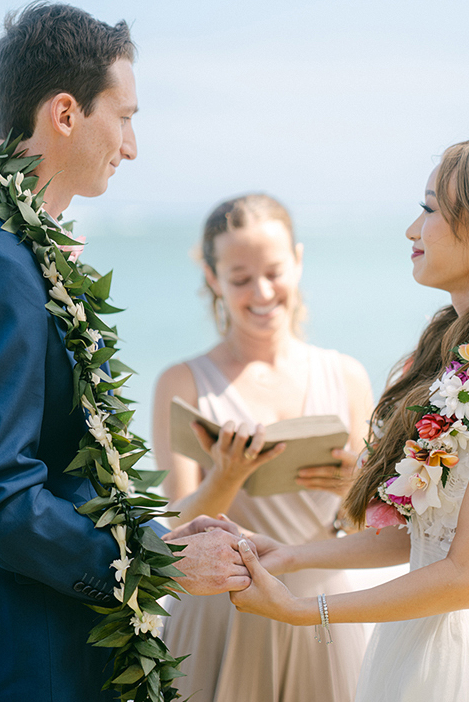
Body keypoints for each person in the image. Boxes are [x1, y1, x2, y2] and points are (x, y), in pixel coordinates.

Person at [0, 2, 253, 702]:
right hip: (28, 650)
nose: (130, 145)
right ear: (65, 113)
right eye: (124, 116)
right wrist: (149, 561)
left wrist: (156, 527)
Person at [229, 118, 469, 702]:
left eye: (430, 210)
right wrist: (291, 555)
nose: (413, 228)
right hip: (412, 642)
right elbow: (422, 536)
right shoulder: (447, 357)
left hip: (467, 656)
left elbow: (465, 576)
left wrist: (304, 611)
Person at [150, 195, 374, 702]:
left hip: (322, 611)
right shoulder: (181, 382)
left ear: (297, 261)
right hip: (218, 614)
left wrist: (353, 488)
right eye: (240, 277)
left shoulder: (346, 375)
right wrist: (225, 477)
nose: (263, 291)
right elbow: (172, 531)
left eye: (274, 271)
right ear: (212, 278)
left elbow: (366, 528)